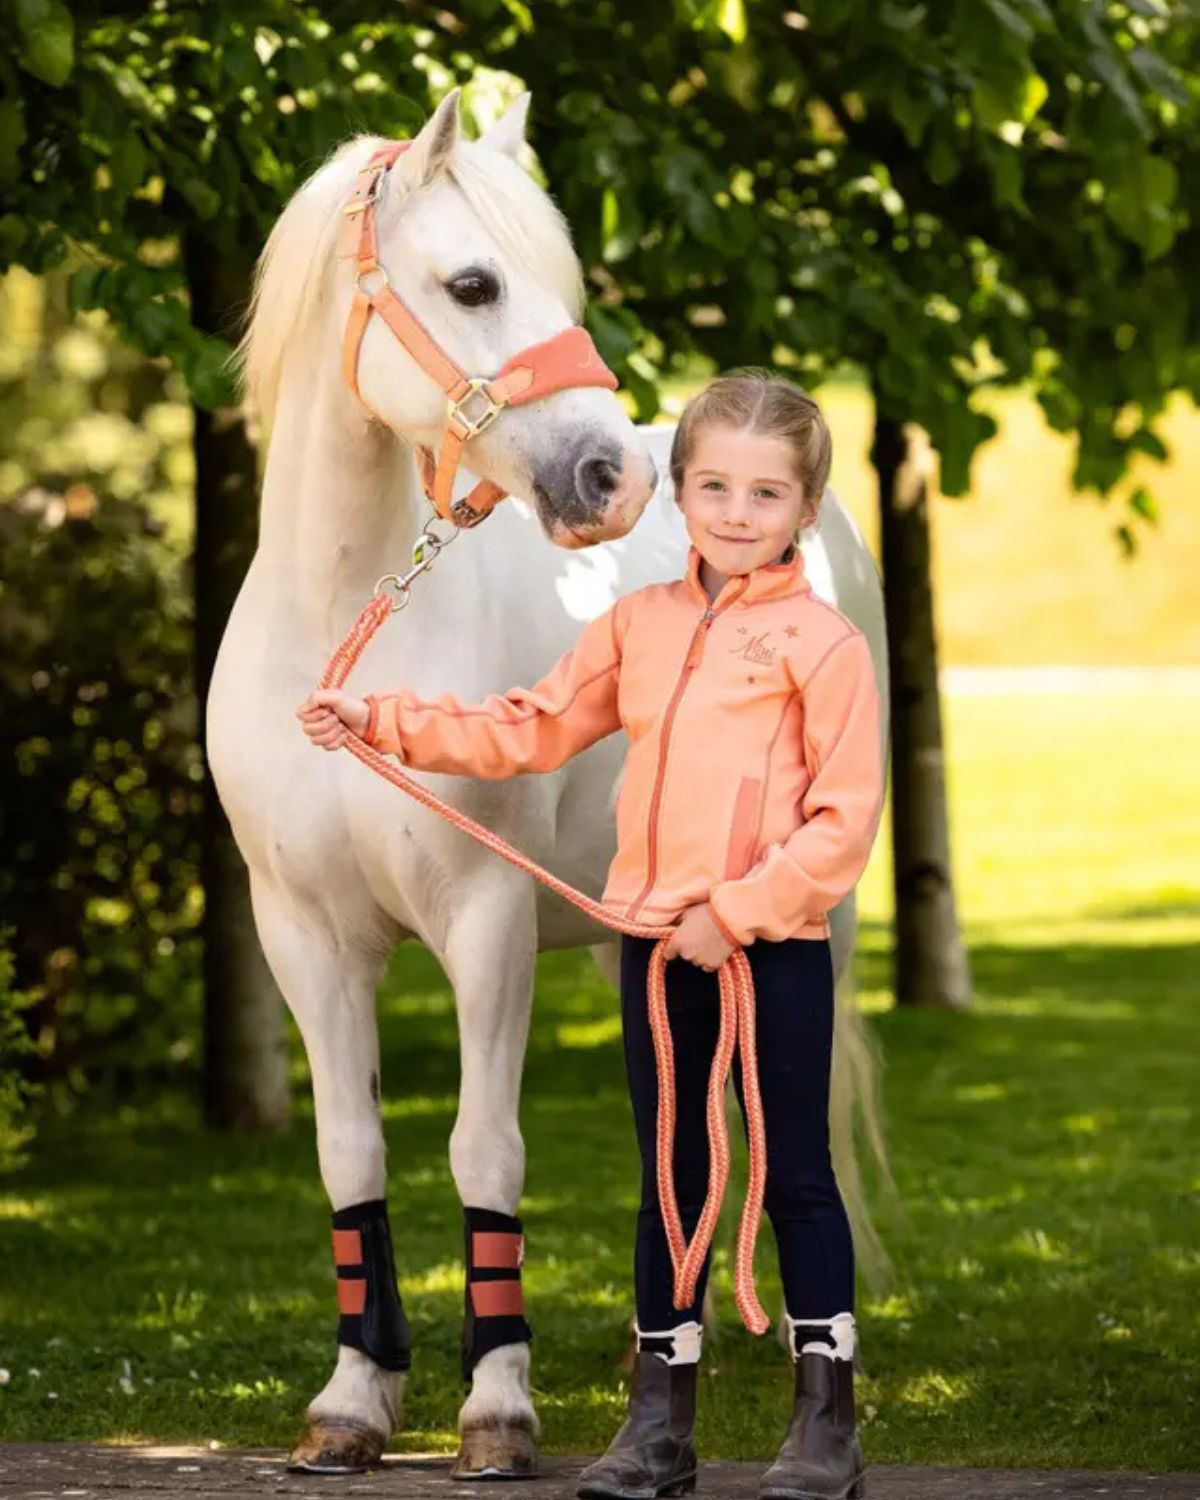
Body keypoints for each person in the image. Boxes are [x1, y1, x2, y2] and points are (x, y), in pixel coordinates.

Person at [297, 368, 884, 1500]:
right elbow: (530, 726)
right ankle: (659, 1425)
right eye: (712, 486)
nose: (734, 514)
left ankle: (826, 1422)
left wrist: (738, 913)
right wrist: (382, 720)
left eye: (766, 495)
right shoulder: (640, 626)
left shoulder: (825, 648)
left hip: (774, 954)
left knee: (797, 1174)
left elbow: (842, 826)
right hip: (663, 953)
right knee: (668, 1179)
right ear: (677, 496)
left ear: (805, 511)